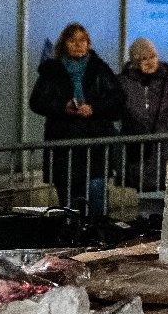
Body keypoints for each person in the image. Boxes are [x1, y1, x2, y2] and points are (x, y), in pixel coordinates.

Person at [28, 23, 122, 208]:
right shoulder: (52, 71)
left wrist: (94, 108)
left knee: (96, 196)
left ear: (88, 43)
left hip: (95, 145)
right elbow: (37, 101)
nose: (78, 44)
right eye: (72, 40)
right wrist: (63, 107)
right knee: (69, 203)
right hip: (64, 146)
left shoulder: (100, 69)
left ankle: (96, 235)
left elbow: (117, 97)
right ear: (64, 44)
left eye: (82, 40)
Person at [115, 37, 168, 192]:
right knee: (142, 196)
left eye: (153, 56)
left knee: (165, 193)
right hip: (137, 151)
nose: (150, 62)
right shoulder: (124, 82)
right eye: (144, 58)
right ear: (135, 61)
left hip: (166, 149)